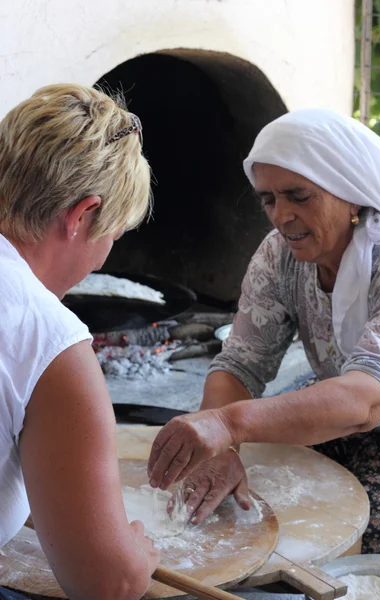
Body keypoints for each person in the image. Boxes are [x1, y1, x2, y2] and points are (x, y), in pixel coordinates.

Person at [148, 108, 380, 554]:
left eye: (299, 196)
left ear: (352, 193)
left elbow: (366, 399)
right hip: (342, 416)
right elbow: (241, 362)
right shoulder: (281, 255)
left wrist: (226, 424)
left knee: (363, 540)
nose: (281, 216)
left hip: (379, 422)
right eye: (268, 200)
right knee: (257, 508)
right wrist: (222, 453)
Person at [0, 84, 159, 600]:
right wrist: (136, 554)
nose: (103, 254)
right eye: (112, 232)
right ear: (81, 215)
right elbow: (105, 583)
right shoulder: (48, 338)